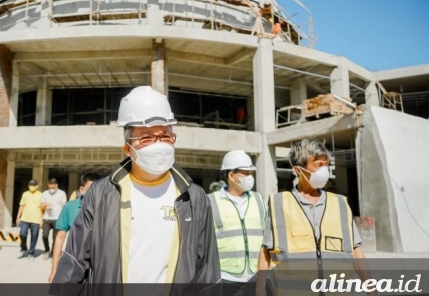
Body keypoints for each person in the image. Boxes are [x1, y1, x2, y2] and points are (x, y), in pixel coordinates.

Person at [52, 86, 220, 286]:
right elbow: (75, 263)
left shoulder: (194, 198)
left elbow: (208, 271)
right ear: (127, 149)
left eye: (165, 136)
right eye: (147, 137)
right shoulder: (102, 194)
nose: (158, 144)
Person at [256, 139, 374, 296]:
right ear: (298, 170)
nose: (324, 171)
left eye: (326, 165)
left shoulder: (340, 204)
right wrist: (259, 289)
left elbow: (355, 250)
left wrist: (371, 287)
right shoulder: (279, 204)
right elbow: (266, 251)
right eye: (318, 165)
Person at [208, 150, 265, 296]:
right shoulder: (211, 201)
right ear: (231, 175)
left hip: (255, 278)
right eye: (245, 173)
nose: (250, 177)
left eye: (251, 173)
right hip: (225, 278)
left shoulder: (259, 200)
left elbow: (267, 239)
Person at [48, 173, 101, 283]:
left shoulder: (106, 208)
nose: (94, 194)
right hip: (74, 263)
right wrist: (54, 270)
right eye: (90, 189)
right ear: (82, 190)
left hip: (98, 264)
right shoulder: (70, 207)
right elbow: (60, 238)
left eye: (98, 190)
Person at [40, 177, 67, 260]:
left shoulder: (62, 193)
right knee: (44, 235)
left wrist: (63, 219)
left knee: (55, 238)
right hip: (47, 218)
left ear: (56, 185)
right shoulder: (45, 193)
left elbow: (64, 206)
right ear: (48, 185)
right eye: (50, 187)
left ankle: (53, 253)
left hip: (57, 218)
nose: (51, 189)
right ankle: (46, 250)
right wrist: (44, 206)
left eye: (53, 187)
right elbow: (41, 206)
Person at [16, 179, 43, 260]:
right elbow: (21, 205)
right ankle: (23, 248)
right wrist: (18, 217)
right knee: (22, 234)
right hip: (24, 219)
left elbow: (42, 208)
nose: (32, 187)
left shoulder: (41, 195)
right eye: (30, 185)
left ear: (37, 186)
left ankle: (31, 253)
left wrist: (42, 219)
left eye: (34, 185)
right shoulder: (25, 194)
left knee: (34, 237)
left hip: (36, 219)